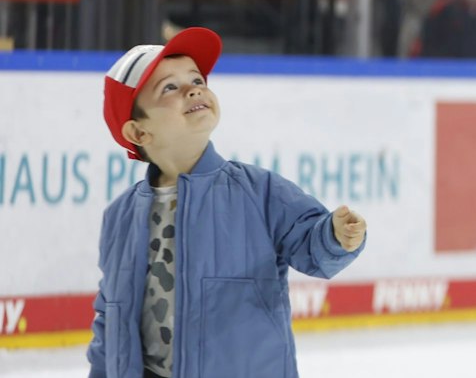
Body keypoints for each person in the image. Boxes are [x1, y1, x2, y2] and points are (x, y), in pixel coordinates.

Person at [89, 28, 366, 377]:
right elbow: (110, 317)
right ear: (139, 133)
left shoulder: (257, 191)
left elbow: (310, 242)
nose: (194, 88)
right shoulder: (120, 216)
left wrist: (334, 236)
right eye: (169, 88)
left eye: (197, 79)